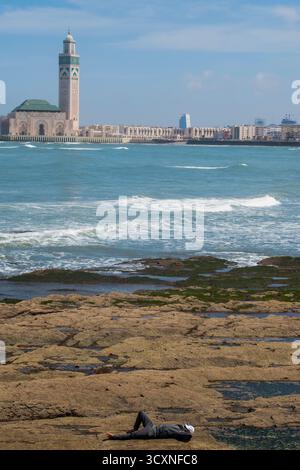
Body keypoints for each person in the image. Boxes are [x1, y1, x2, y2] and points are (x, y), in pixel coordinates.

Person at [107, 411, 194, 442]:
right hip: (152, 426)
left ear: (185, 431)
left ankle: (114, 437)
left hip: (151, 432)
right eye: (185, 426)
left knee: (132, 436)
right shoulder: (179, 427)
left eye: (185, 427)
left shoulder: (179, 433)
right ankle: (135, 428)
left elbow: (189, 436)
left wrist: (188, 433)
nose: (183, 426)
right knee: (141, 413)